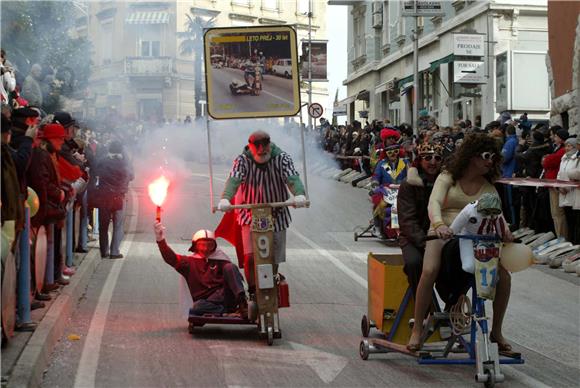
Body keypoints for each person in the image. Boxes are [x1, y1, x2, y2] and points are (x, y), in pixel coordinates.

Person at [407, 133, 514, 352]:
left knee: (503, 277)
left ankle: (496, 331)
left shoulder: (489, 187)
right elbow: (434, 202)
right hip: (441, 233)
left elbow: (498, 216)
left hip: (475, 238)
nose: (490, 161)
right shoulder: (448, 176)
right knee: (429, 270)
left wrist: (506, 232)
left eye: (493, 157)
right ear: (472, 156)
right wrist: (438, 224)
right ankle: (418, 329)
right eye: (486, 156)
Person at [217, 130, 306, 295]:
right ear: (250, 146)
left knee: (273, 257)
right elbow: (234, 180)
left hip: (277, 213)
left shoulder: (282, 158)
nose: (261, 151)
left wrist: (299, 194)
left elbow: (292, 178)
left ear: (269, 145)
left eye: (264, 147)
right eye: (256, 147)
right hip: (250, 214)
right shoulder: (242, 160)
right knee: (250, 257)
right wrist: (225, 198)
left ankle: (272, 279)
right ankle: (251, 290)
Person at [154, 224, 247, 322]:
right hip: (207, 303)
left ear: (214, 246)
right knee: (197, 307)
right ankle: (227, 312)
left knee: (230, 267)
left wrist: (238, 296)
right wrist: (160, 240)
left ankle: (242, 303)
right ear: (195, 246)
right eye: (202, 245)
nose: (206, 249)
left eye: (210, 245)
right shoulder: (189, 263)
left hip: (225, 297)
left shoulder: (222, 260)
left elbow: (233, 277)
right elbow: (171, 258)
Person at [397, 143, 443, 297]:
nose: (433, 162)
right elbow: (407, 220)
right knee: (414, 263)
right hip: (413, 238)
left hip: (442, 237)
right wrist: (425, 243)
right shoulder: (408, 184)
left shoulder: (447, 183)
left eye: (437, 158)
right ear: (419, 160)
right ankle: (423, 308)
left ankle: (451, 304)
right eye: (428, 157)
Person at [93, 140, 134, 259]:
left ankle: (103, 251)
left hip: (103, 196)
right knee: (118, 225)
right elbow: (131, 176)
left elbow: (95, 173)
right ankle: (114, 251)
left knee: (103, 225)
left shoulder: (102, 161)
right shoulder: (124, 163)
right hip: (118, 196)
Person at [371, 141, 409, 239]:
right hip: (385, 191)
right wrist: (375, 184)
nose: (393, 154)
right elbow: (376, 176)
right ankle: (377, 227)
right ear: (386, 153)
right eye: (389, 152)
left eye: (395, 151)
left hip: (402, 191)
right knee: (379, 205)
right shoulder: (381, 163)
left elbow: (411, 175)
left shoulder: (405, 163)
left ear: (398, 151)